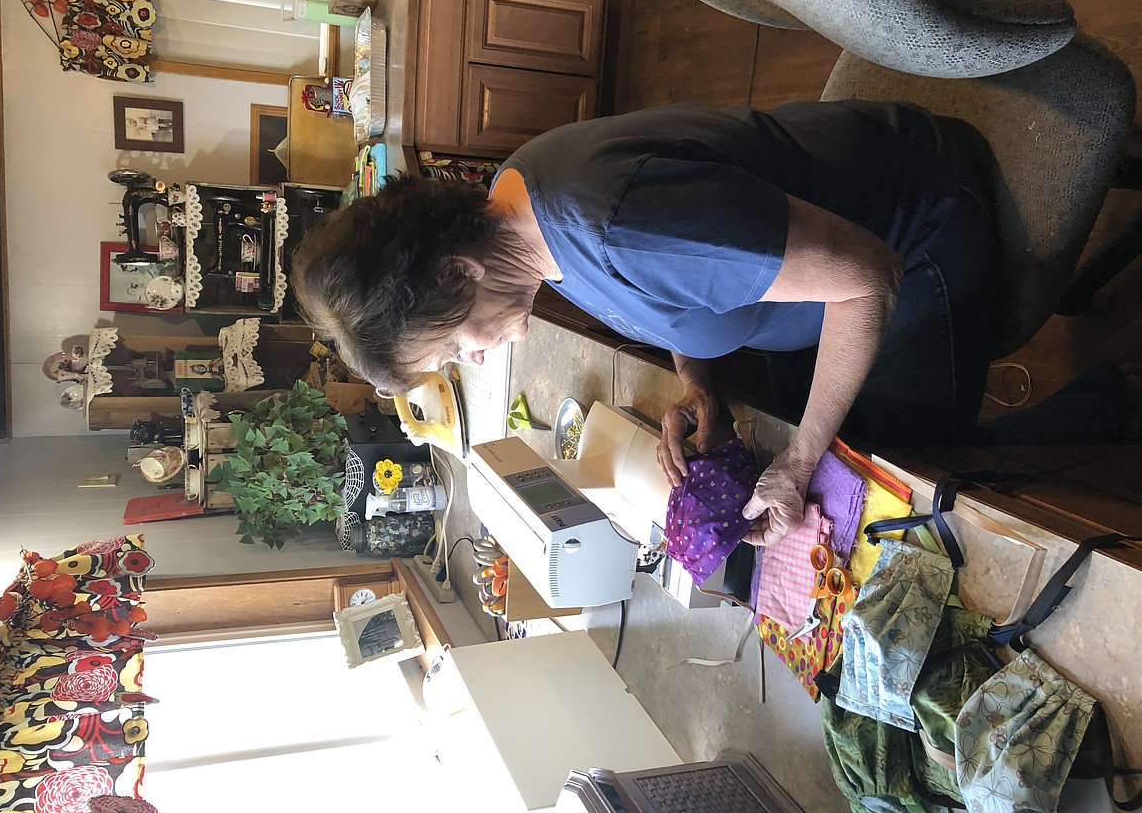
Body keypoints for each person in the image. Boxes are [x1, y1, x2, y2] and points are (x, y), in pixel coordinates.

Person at [294, 101, 1005, 547]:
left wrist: (801, 461)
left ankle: (1106, 410)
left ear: (459, 272)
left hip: (922, 232)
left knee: (913, 494)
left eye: (453, 343)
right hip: (822, 285)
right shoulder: (515, 210)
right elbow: (678, 287)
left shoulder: (611, 225)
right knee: (795, 462)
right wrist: (696, 378)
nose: (473, 359)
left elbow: (868, 275)